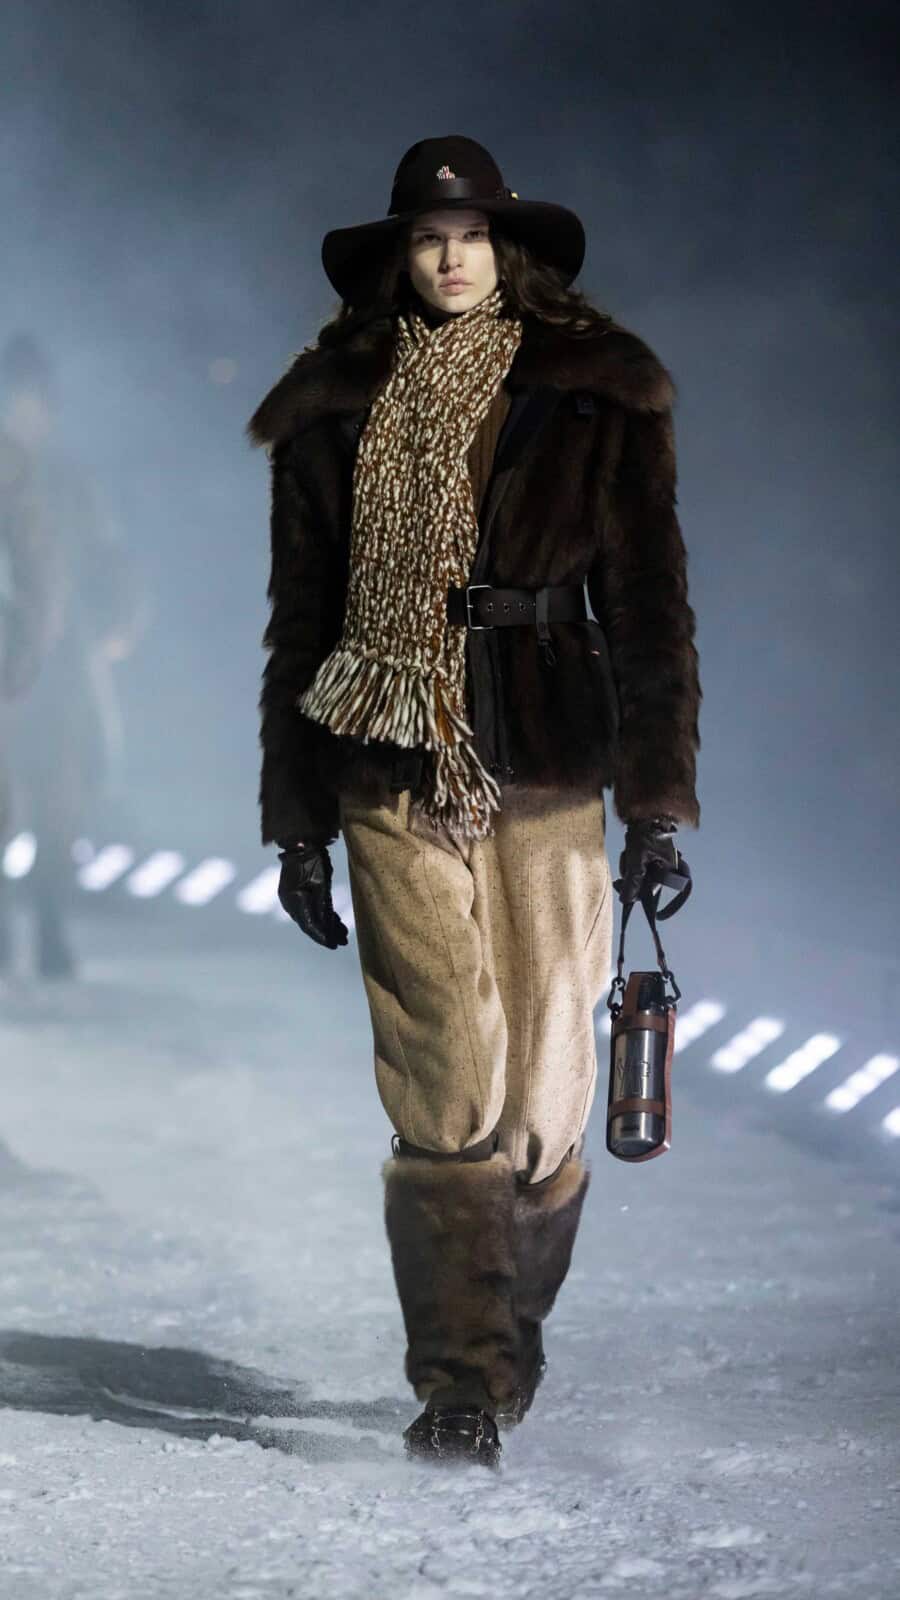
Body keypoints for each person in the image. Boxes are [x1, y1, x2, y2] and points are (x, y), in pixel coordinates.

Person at [249, 136, 701, 1468]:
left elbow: (651, 612)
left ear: (508, 252)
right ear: (400, 255)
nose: (450, 259)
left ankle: (508, 1329)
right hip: (386, 756)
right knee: (445, 1072)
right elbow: (300, 625)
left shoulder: (596, 396)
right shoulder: (335, 404)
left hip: (548, 760)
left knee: (548, 1091)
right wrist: (296, 823)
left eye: (471, 236)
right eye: (428, 238)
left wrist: (656, 806)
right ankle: (458, 1379)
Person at [0, 335, 145, 979]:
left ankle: (51, 924)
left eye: (31, 402)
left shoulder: (71, 485)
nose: (22, 415)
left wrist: (116, 626)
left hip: (59, 664)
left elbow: (112, 561)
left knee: (63, 795)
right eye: (13, 402)